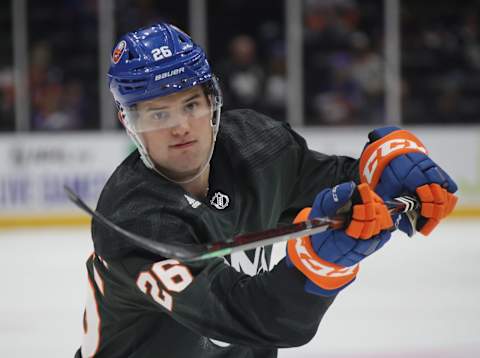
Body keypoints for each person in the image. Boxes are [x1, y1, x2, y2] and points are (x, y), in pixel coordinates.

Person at [75, 23, 458, 358]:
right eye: (158, 113)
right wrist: (318, 266)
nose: (180, 127)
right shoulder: (137, 222)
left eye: (191, 104)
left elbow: (348, 183)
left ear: (213, 100)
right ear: (129, 122)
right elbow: (248, 316)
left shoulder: (256, 147)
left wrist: (387, 166)